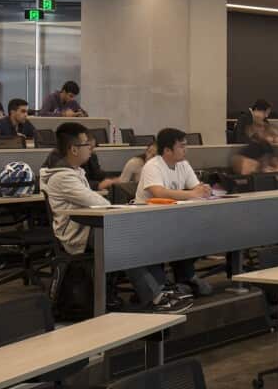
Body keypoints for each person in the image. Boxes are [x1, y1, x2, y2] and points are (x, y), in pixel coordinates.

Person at [40, 123, 190, 313]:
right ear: (73, 149)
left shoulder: (74, 171)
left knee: (140, 237)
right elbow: (98, 202)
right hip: (77, 235)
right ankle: (155, 297)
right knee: (124, 242)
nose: (91, 149)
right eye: (87, 145)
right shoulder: (62, 177)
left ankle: (161, 290)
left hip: (90, 229)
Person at [134, 128, 214, 297]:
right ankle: (168, 284)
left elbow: (196, 187)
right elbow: (159, 192)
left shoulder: (183, 164)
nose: (185, 150)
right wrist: (192, 194)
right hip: (146, 221)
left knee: (203, 234)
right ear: (167, 150)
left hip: (172, 220)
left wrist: (203, 188)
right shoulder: (153, 166)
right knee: (177, 236)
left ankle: (185, 278)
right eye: (181, 146)